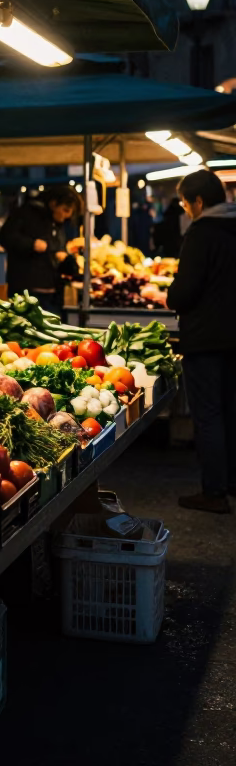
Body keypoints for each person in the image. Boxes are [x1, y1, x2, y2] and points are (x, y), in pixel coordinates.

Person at [167, 169, 236, 513]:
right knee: (231, 410)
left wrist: (171, 294)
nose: (185, 209)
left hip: (206, 337)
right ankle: (231, 482)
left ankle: (214, 492)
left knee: (208, 414)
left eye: (184, 202)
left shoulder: (202, 233)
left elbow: (184, 291)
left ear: (197, 201)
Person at [0, 185, 81, 310]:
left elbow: (55, 248)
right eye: (65, 210)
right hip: (26, 291)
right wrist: (31, 244)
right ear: (53, 204)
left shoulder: (57, 224)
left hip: (51, 292)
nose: (68, 215)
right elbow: (5, 237)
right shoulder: (26, 213)